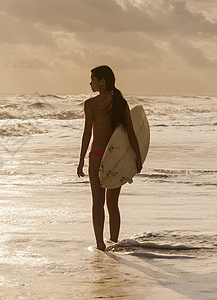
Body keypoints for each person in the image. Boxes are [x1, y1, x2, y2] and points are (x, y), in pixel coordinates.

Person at [77, 65, 142, 251]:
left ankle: (100, 244)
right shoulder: (121, 103)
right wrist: (138, 158)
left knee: (97, 202)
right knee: (112, 203)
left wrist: (81, 159)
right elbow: (130, 133)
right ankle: (114, 242)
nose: (90, 83)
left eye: (93, 79)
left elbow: (87, 133)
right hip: (115, 158)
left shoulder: (90, 104)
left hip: (97, 156)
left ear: (102, 82)